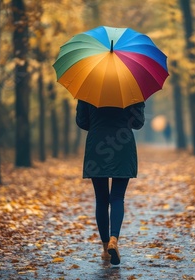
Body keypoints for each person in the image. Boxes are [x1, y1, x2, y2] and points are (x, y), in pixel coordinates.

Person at [75, 100, 145, 265]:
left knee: (101, 200)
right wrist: (139, 105)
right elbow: (138, 123)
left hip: (97, 145)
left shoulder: (88, 89)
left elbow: (82, 122)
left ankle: (106, 248)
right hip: (123, 145)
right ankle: (114, 238)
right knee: (117, 198)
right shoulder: (131, 89)